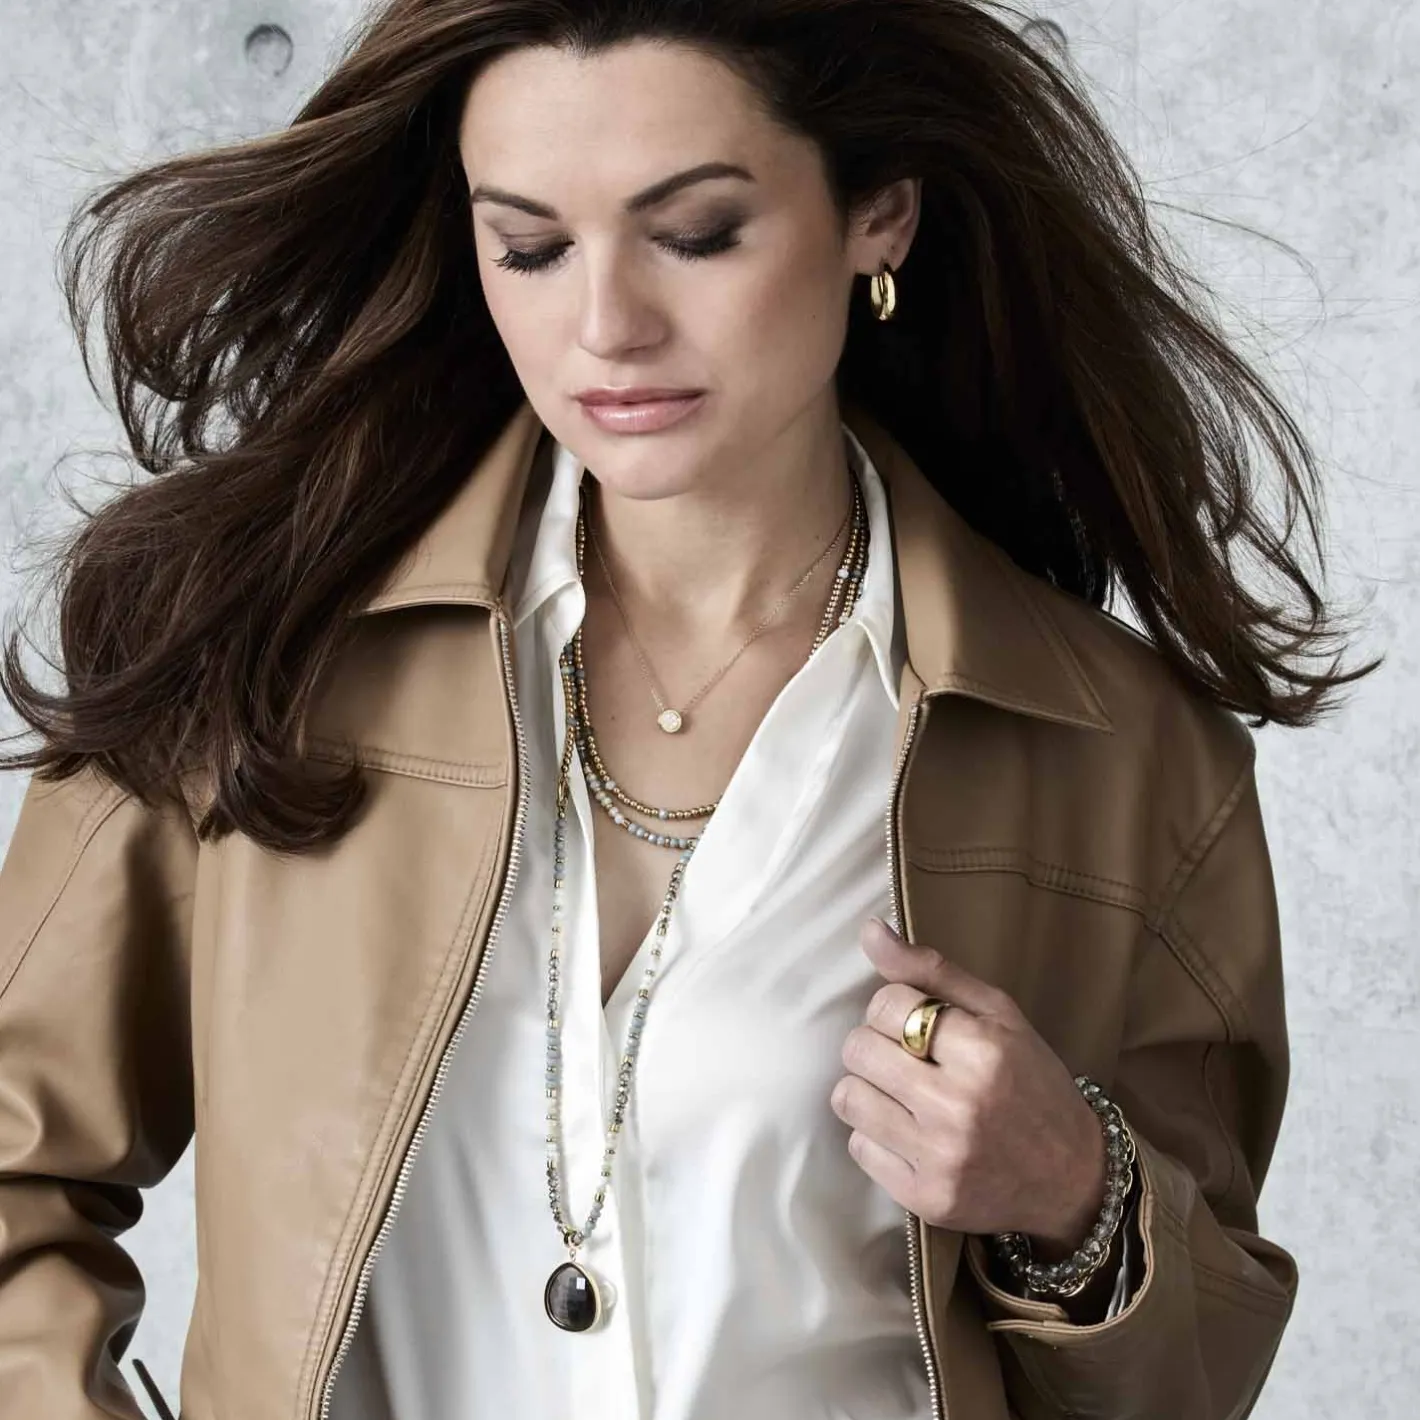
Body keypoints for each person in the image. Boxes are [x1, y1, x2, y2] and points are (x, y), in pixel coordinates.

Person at [0, 3, 1380, 1419]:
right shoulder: (248, 649)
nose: (607, 326)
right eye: (530, 248)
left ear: (879, 216)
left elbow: (1195, 1374)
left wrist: (1075, 1198)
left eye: (697, 233)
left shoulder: (1125, 758)